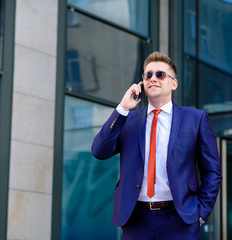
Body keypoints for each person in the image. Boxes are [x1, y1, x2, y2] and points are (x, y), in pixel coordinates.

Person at [91, 51, 222, 239]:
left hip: (180, 219)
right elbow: (99, 151)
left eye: (160, 74)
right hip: (136, 219)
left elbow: (212, 171)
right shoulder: (128, 119)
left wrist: (200, 214)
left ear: (174, 83)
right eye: (148, 75)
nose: (153, 78)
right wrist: (122, 109)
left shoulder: (195, 119)